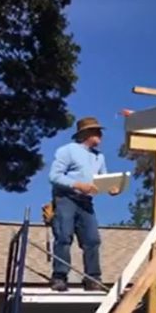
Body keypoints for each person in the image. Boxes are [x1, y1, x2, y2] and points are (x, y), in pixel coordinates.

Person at [48, 116, 120, 292]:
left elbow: (102, 179)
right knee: (64, 237)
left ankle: (92, 279)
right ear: (85, 134)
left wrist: (111, 188)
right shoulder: (68, 151)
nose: (100, 135)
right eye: (97, 131)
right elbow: (54, 176)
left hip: (86, 202)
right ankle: (59, 277)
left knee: (92, 240)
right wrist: (77, 184)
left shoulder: (99, 157)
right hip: (66, 198)